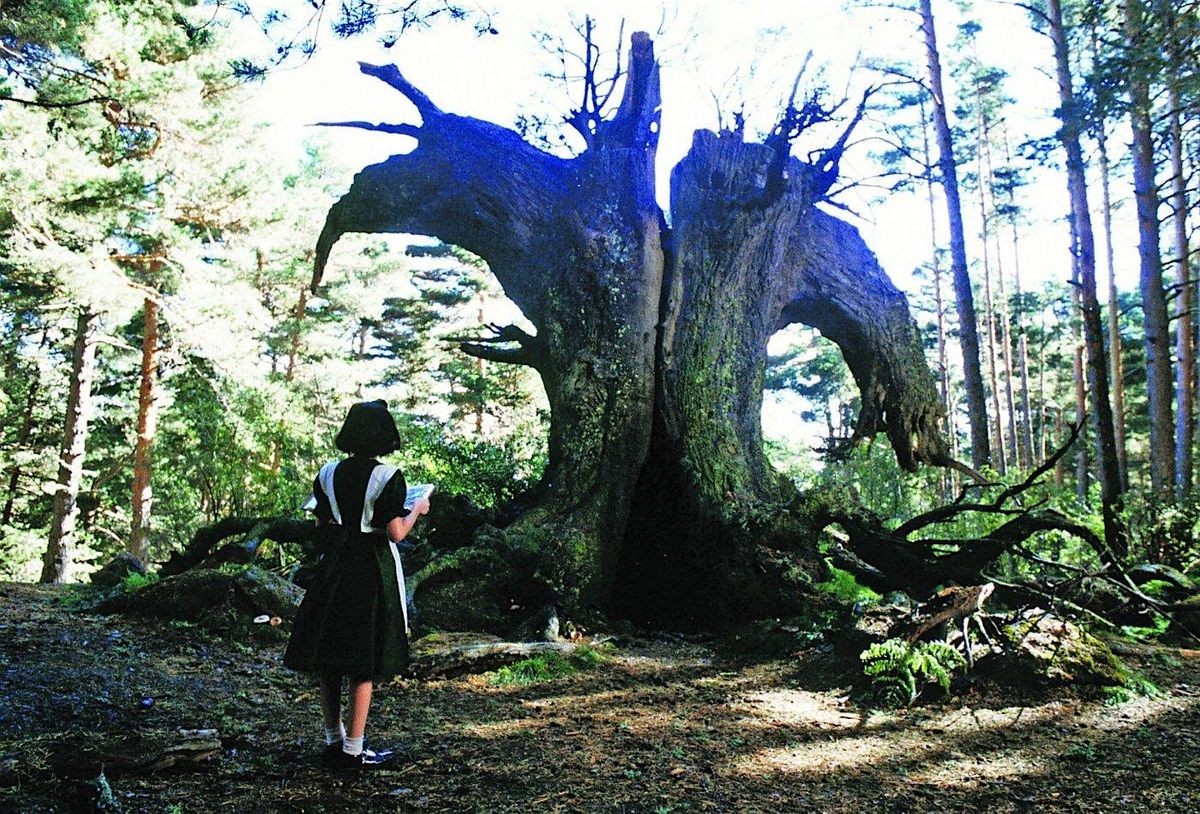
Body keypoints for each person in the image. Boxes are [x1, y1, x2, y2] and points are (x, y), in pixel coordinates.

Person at [284, 400, 431, 770]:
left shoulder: (328, 472)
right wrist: (417, 509)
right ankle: (354, 748)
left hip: (333, 569)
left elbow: (320, 527)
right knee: (363, 658)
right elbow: (395, 533)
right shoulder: (389, 476)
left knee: (330, 658)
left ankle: (333, 740)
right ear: (384, 434)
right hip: (370, 571)